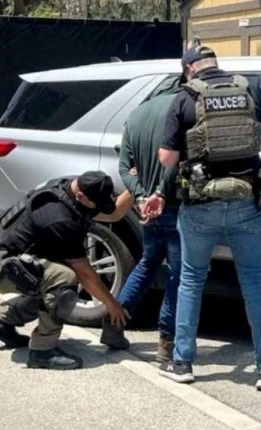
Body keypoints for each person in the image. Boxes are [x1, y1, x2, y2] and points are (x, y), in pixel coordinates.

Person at [156, 44, 261, 392]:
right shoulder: (245, 91)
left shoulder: (185, 98)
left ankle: (182, 363)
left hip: (201, 203)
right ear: (215, 64)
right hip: (246, 201)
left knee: (191, 280)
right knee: (254, 282)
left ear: (189, 69)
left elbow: (167, 159)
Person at [0, 171, 133, 370]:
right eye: (96, 203)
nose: (99, 207)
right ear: (80, 196)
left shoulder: (71, 189)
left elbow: (113, 213)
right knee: (64, 280)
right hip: (0, 268)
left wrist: (135, 184)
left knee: (51, 280)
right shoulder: (60, 218)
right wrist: (112, 304)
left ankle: (2, 323)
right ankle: (42, 351)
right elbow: (85, 274)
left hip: (19, 261)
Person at [115, 90, 182, 363]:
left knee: (147, 264)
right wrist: (161, 194)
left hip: (148, 209)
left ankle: (113, 324)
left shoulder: (136, 114)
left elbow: (123, 168)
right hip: (176, 205)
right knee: (179, 276)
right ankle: (166, 343)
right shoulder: (181, 111)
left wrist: (142, 196)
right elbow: (177, 161)